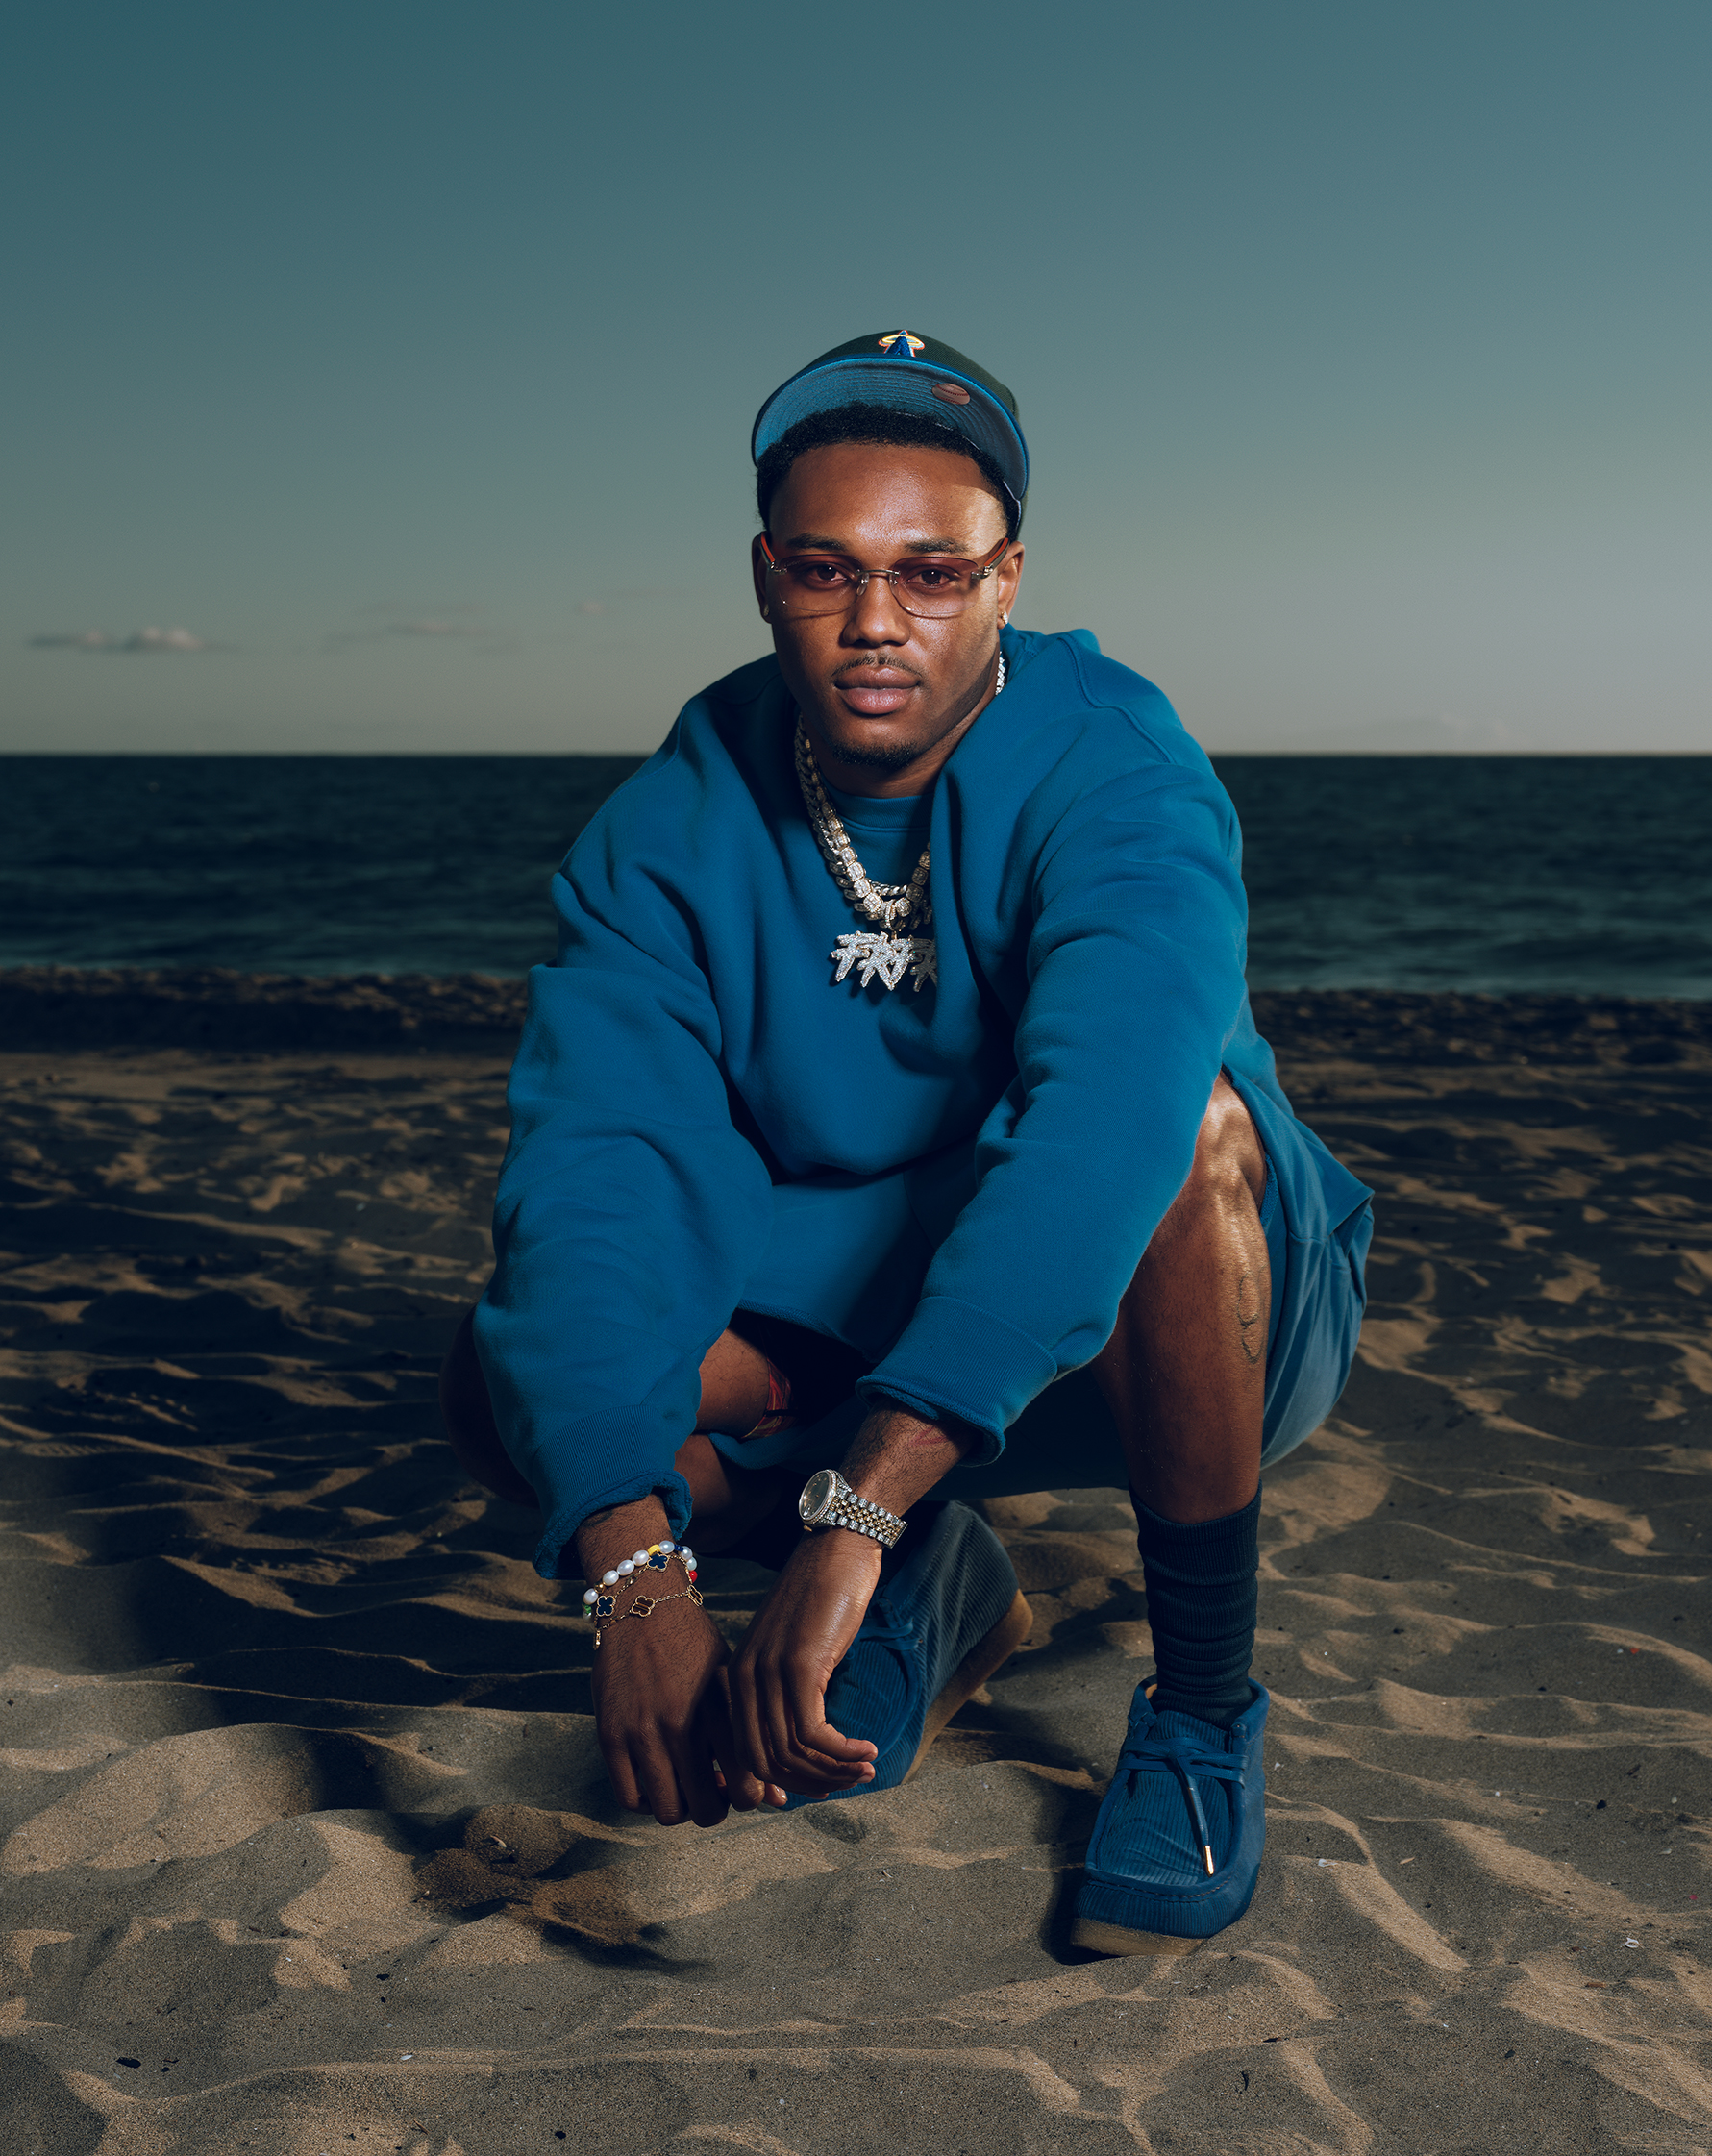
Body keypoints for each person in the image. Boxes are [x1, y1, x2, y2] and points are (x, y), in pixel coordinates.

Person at [441, 331, 1373, 1955]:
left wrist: (846, 1516)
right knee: (517, 1384)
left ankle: (1205, 1710)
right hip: (857, 1318)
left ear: (1006, 578)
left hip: (1188, 1321)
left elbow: (1104, 1130)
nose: (878, 621)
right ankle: (941, 1577)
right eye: (828, 569)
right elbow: (597, 1177)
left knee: (1185, 1133)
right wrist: (631, 1573)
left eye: (932, 573)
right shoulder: (668, 824)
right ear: (766, 577)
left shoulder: (1117, 765)